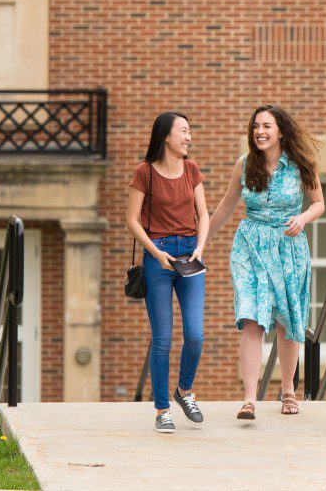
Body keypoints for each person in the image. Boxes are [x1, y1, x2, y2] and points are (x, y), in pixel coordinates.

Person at [208, 104, 325, 420]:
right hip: (250, 246)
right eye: (256, 126)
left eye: (266, 126)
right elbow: (224, 208)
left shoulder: (302, 165)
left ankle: (288, 390)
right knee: (251, 317)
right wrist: (200, 242)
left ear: (281, 132)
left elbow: (318, 204)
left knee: (286, 320)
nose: (259, 131)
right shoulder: (244, 165)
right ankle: (249, 398)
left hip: (288, 246)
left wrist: (302, 218)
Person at [126, 111, 209, 434]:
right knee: (162, 338)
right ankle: (162, 409)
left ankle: (184, 391)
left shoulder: (192, 170)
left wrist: (200, 247)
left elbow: (203, 214)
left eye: (189, 132)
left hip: (191, 255)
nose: (189, 137)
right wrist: (156, 252)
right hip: (158, 257)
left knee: (195, 334)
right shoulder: (144, 172)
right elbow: (131, 219)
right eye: (184, 132)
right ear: (165, 137)